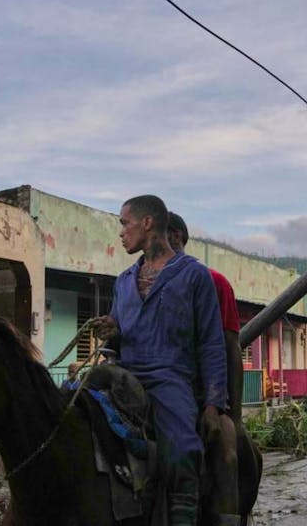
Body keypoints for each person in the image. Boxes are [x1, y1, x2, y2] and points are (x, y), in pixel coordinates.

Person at [97, 195, 227, 526]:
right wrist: (112, 330)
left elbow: (212, 342)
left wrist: (213, 404)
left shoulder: (195, 275)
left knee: (183, 448)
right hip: (121, 375)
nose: (121, 232)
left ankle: (184, 516)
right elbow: (117, 336)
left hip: (168, 379)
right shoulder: (124, 281)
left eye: (125, 223)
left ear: (148, 223)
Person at [167, 211, 242, 525]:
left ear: (179, 237)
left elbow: (229, 348)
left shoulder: (213, 281)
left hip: (200, 395)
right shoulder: (136, 281)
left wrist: (233, 415)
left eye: (167, 233)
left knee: (227, 455)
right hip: (150, 391)